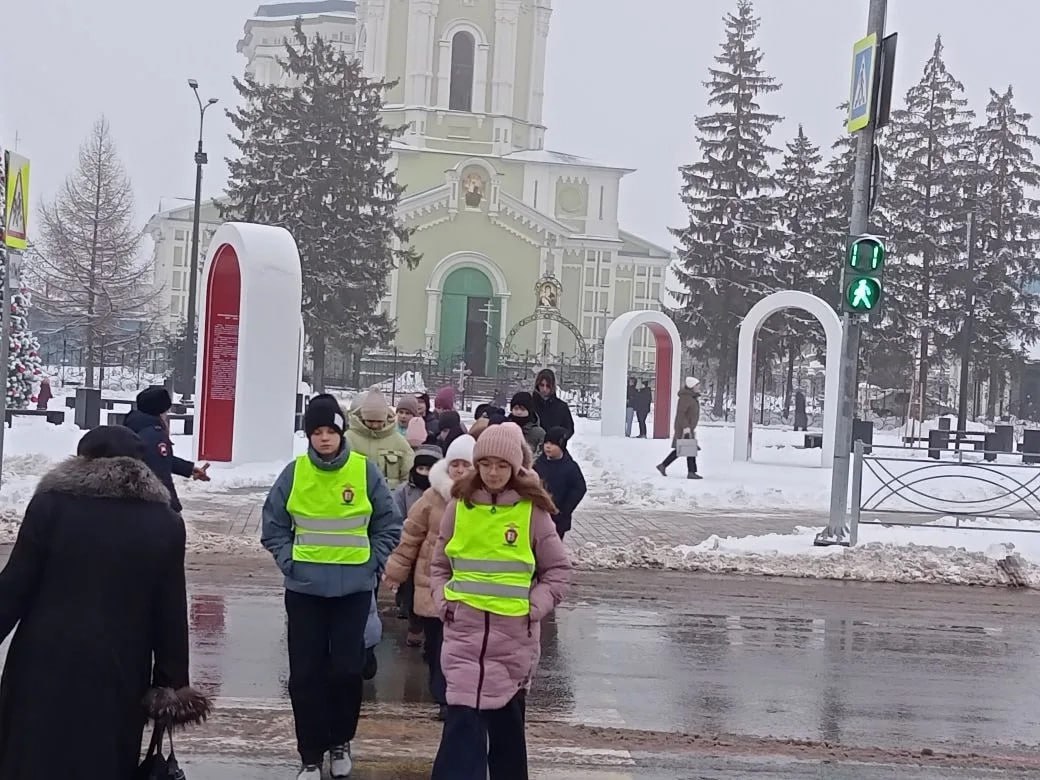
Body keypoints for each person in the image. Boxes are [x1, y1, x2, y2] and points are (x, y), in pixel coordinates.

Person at [0, 426, 210, 779]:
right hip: (121, 666)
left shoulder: (51, 506)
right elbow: (170, 610)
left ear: (83, 459)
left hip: (42, 659)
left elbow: (15, 583)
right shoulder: (165, 522)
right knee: (104, 757)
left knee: (32, 754)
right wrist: (171, 683)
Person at [261, 394, 402, 780]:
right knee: (305, 676)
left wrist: (373, 562)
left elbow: (389, 523)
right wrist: (289, 562)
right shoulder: (295, 473)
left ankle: (340, 742)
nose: (324, 438)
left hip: (352, 593)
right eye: (316, 432)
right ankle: (310, 754)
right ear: (308, 436)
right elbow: (273, 525)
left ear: (341, 432)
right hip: (305, 592)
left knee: (346, 672)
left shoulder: (363, 471)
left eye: (330, 431)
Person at [429, 423, 571, 780]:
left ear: (515, 467)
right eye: (486, 464)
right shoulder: (459, 507)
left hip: (512, 645)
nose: (493, 473)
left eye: (502, 465)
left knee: (507, 744)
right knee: (460, 737)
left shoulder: (532, 512)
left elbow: (557, 571)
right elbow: (439, 565)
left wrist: (533, 608)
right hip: (463, 640)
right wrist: (443, 601)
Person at [383, 434, 476, 720]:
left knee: (461, 646)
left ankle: (461, 695)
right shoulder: (432, 496)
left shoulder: (483, 499)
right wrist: (396, 570)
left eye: (466, 465)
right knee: (437, 645)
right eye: (455, 464)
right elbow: (411, 535)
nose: (459, 470)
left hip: (468, 585)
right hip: (431, 583)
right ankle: (443, 697)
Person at [123, 386, 210, 513]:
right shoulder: (154, 434)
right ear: (160, 412)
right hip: (154, 506)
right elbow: (161, 474)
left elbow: (157, 457)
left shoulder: (137, 426)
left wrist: (188, 468)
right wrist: (173, 507)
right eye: (166, 411)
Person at [392, 444, 444, 647]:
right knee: (410, 588)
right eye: (420, 468)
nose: (424, 473)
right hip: (411, 546)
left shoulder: (444, 493)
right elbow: (396, 516)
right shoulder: (404, 492)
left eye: (429, 469)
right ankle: (414, 623)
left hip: (435, 550)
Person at [346, 387, 415, 490]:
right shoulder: (348, 439)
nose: (375, 425)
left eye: (379, 421)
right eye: (370, 421)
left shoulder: (399, 442)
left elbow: (409, 476)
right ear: (362, 417)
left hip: (390, 497)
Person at [534, 427, 587, 540]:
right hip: (538, 515)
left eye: (553, 444)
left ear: (562, 446)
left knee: (554, 544)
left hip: (558, 518)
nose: (548, 446)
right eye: (546, 443)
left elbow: (579, 488)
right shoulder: (538, 464)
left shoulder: (570, 467)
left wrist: (564, 510)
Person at [656, 377, 702, 480]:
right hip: (684, 428)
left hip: (688, 427)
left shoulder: (691, 397)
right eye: (697, 385)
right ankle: (691, 472)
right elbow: (681, 414)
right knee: (687, 448)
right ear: (692, 386)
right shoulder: (686, 398)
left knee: (686, 448)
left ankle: (664, 465)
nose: (698, 387)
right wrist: (686, 427)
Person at [532, 368, 575, 438]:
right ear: (537, 385)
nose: (544, 389)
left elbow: (569, 429)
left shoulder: (562, 407)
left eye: (548, 386)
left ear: (552, 386)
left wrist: (560, 438)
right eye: (542, 385)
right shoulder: (530, 404)